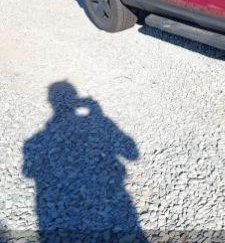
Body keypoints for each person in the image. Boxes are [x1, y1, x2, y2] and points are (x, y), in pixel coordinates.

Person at [23, 81, 145, 240]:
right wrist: (98, 114)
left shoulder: (34, 141)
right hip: (111, 197)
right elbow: (132, 153)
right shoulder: (101, 123)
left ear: (50, 101)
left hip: (57, 212)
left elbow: (27, 172)